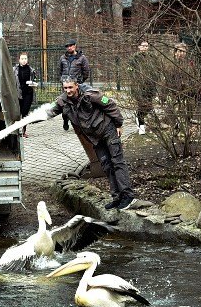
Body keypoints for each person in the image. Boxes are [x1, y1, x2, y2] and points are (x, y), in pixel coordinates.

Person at [43, 75, 137, 210]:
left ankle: (128, 196)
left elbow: (110, 104)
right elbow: (48, 112)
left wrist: (118, 124)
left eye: (70, 87)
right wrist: (26, 120)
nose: (68, 91)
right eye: (65, 88)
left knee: (117, 162)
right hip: (95, 138)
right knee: (106, 165)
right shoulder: (62, 101)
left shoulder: (91, 94)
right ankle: (117, 197)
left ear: (76, 86)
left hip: (108, 130)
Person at [125, 40, 161, 134]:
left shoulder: (152, 57)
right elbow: (129, 70)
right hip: (139, 87)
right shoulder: (134, 58)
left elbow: (157, 69)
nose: (145, 48)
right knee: (142, 105)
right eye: (143, 46)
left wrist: (155, 78)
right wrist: (135, 79)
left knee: (148, 105)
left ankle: (140, 119)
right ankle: (141, 127)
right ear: (139, 47)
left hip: (150, 86)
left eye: (146, 46)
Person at [15, 52, 35, 117]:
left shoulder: (31, 70)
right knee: (20, 110)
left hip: (28, 93)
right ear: (19, 60)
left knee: (25, 111)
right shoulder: (15, 70)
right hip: (18, 93)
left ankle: (24, 123)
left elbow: (34, 80)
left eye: (25, 59)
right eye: (22, 59)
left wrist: (33, 84)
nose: (24, 60)